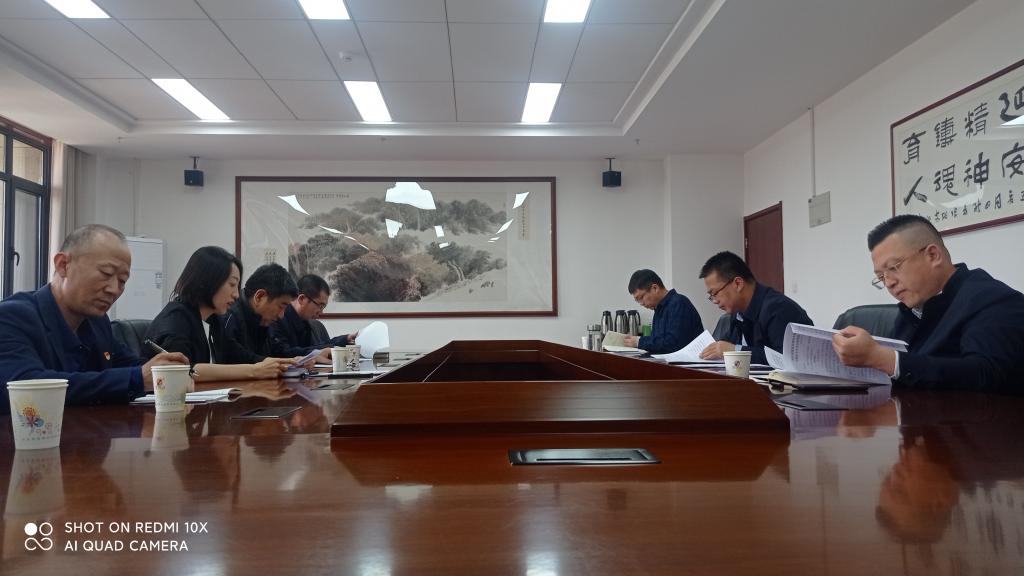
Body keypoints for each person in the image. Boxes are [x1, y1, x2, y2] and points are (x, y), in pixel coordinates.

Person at [0, 224, 186, 412]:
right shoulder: (11, 317)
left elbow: (132, 366)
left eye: (122, 281)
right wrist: (137, 378)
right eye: (106, 274)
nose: (114, 289)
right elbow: (27, 386)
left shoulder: (97, 322)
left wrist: (167, 370)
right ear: (63, 265)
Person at [832, 214, 1024, 392]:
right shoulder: (911, 310)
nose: (889, 283)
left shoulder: (992, 299)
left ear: (933, 255)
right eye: (881, 277)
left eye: (893, 268)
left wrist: (883, 358)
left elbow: (984, 374)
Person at [144, 246, 295, 380]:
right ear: (209, 281)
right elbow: (184, 371)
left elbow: (237, 355)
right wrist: (255, 371)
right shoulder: (176, 318)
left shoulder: (213, 320)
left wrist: (280, 364)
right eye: (232, 284)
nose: (236, 294)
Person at [698, 251, 813, 364]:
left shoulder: (779, 309)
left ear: (738, 284)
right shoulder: (737, 314)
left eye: (715, 293)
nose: (715, 301)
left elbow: (785, 361)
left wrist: (735, 351)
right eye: (711, 296)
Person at [215, 263, 301, 364]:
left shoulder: (264, 319)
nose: (281, 315)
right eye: (281, 306)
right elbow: (237, 360)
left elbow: (278, 351)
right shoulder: (229, 317)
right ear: (259, 297)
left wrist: (304, 358)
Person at [269, 274, 355, 358]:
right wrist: (318, 353)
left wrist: (345, 339)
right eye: (320, 306)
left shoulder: (308, 323)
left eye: (323, 307)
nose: (321, 312)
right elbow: (284, 353)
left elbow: (316, 346)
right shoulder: (276, 319)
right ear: (302, 299)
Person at [622, 269, 702, 354]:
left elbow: (673, 344)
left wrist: (639, 342)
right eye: (637, 300)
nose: (641, 303)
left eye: (641, 297)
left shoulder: (679, 303)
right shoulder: (659, 309)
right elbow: (658, 343)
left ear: (655, 288)